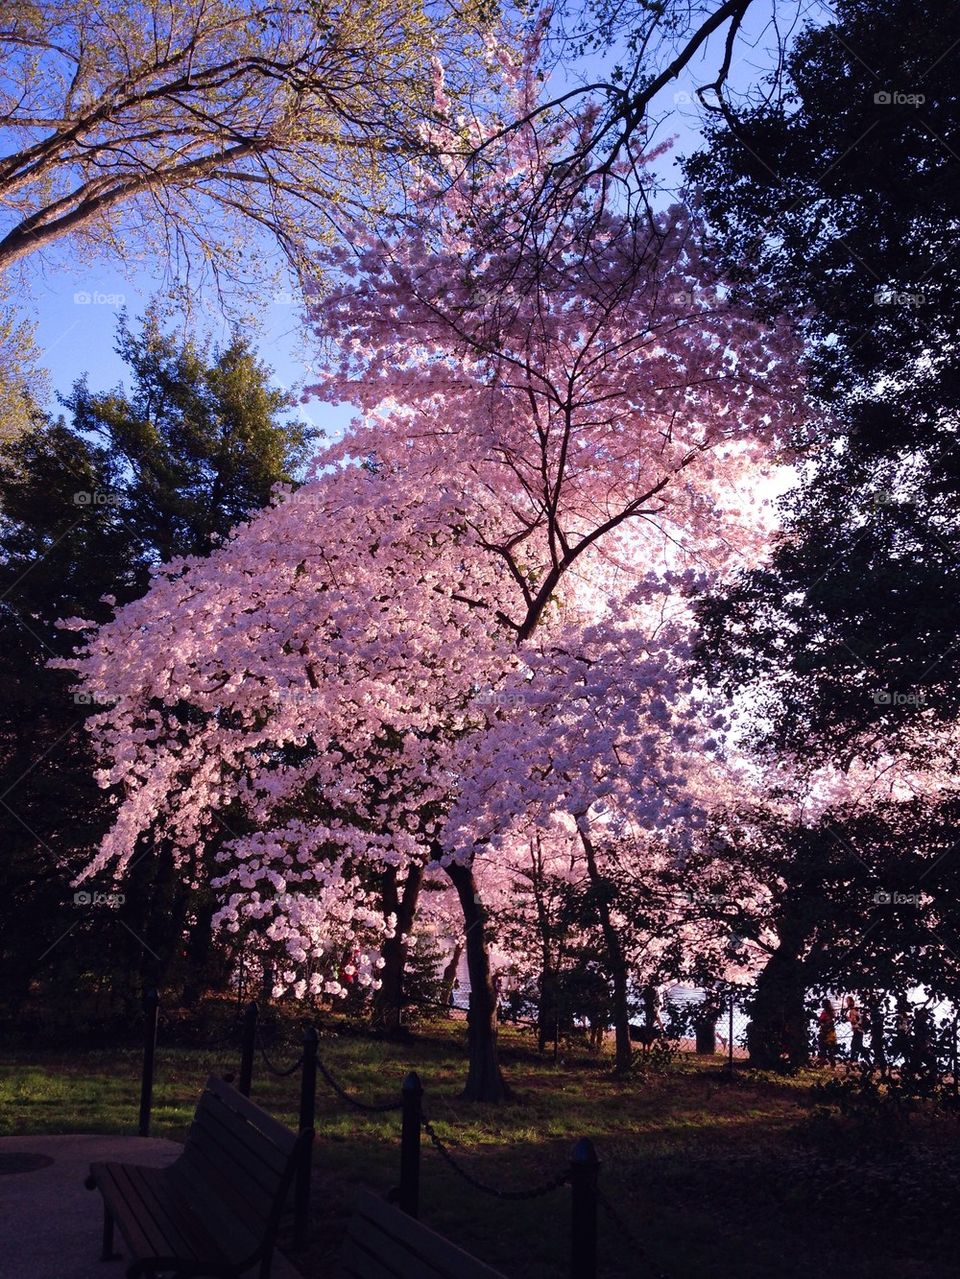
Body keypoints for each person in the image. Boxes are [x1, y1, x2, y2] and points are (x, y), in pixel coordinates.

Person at [817, 998, 838, 1066]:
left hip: (828, 1032)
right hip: (825, 1031)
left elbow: (829, 1022)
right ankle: (824, 1062)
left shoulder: (828, 1013)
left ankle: (830, 1062)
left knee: (827, 1047)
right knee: (823, 1047)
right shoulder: (825, 1012)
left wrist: (823, 1023)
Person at [845, 996, 864, 1064]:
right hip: (857, 1029)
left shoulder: (853, 1011)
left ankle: (853, 1059)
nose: (846, 1003)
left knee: (856, 1045)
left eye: (847, 1001)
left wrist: (848, 1019)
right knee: (855, 1045)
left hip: (857, 1029)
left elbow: (855, 1021)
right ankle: (853, 1059)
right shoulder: (853, 1010)